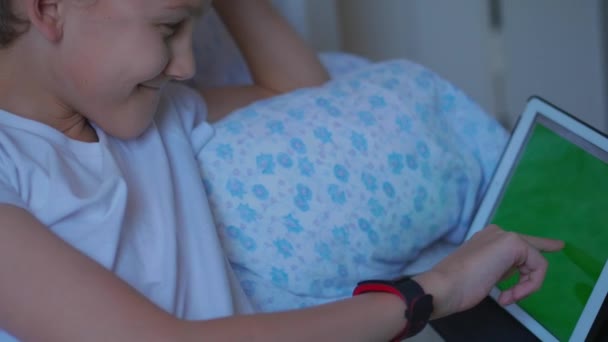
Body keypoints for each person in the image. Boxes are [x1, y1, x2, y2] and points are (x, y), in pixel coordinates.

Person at [0, 0, 564, 341]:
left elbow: (304, 97)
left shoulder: (153, 112)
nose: (187, 64)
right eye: (169, 25)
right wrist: (432, 290)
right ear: (49, 7)